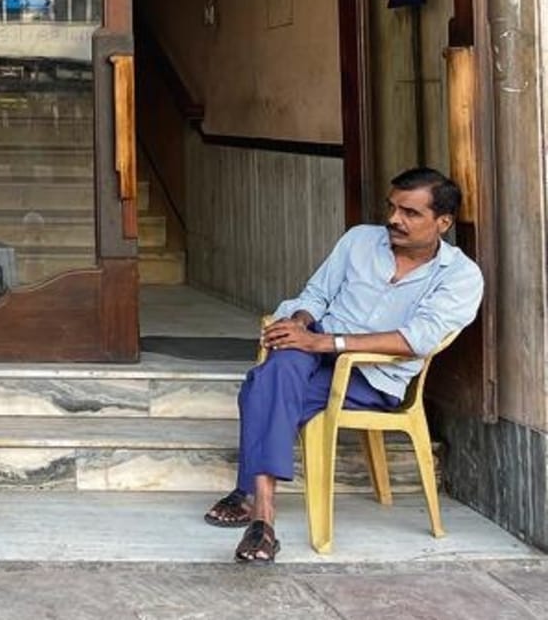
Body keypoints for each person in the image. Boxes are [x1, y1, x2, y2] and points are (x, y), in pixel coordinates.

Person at [205, 168, 483, 563]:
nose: (394, 219)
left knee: (262, 386)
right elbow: (316, 295)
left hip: (373, 375)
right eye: (392, 208)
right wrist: (300, 323)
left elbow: (415, 339)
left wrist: (324, 341)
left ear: (443, 222)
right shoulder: (359, 241)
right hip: (318, 351)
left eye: (409, 213)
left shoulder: (460, 276)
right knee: (280, 366)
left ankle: (253, 499)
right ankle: (263, 518)